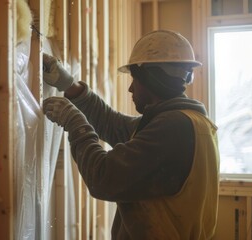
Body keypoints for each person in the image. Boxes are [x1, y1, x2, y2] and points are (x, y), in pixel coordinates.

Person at [42, 30, 220, 239]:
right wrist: (70, 87)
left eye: (134, 79)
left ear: (151, 79)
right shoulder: (186, 122)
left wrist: (76, 124)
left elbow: (103, 177)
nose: (130, 88)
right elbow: (113, 124)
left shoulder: (174, 128)